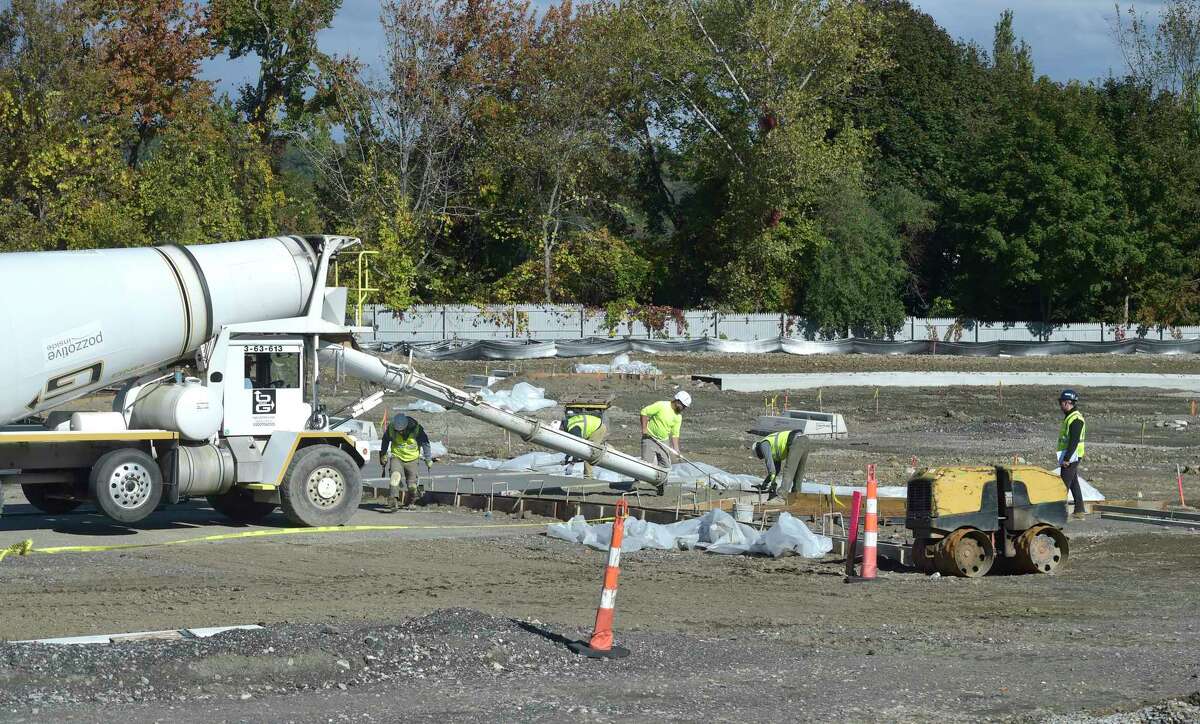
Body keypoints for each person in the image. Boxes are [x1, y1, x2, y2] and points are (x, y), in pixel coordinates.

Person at [640, 391, 691, 495]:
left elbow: (675, 434)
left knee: (666, 465)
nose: (684, 409)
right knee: (645, 466)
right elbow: (644, 412)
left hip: (663, 441)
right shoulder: (661, 405)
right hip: (649, 438)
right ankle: (637, 483)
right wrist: (644, 428)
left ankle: (661, 485)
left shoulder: (678, 417)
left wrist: (676, 449)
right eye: (683, 406)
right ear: (677, 402)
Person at [379, 412, 432, 512]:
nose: (400, 433)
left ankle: (411, 502)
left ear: (406, 426)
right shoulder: (391, 428)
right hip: (397, 456)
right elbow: (385, 440)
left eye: (402, 430)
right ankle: (393, 500)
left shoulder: (417, 429)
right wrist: (383, 453)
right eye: (398, 431)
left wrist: (428, 458)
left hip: (412, 459)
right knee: (395, 476)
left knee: (412, 486)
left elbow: (425, 443)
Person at [754, 429, 811, 499]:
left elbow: (770, 467)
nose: (763, 456)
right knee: (799, 472)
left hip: (796, 440)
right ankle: (796, 496)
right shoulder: (774, 449)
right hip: (805, 439)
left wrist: (773, 483)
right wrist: (765, 483)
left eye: (761, 455)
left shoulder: (763, 444)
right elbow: (776, 470)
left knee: (789, 470)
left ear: (758, 449)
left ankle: (781, 496)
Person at [1056, 389, 1087, 519]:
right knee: (1073, 482)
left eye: (1061, 402)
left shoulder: (1076, 419)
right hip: (1070, 455)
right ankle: (1079, 510)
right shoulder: (1070, 417)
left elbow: (1074, 441)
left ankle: (1059, 513)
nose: (1060, 405)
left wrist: (1067, 458)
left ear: (1068, 402)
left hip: (1072, 456)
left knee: (1064, 484)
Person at [563, 411, 609, 478]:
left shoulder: (573, 429)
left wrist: (572, 464)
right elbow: (572, 446)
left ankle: (588, 478)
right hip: (595, 426)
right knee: (590, 451)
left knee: (589, 453)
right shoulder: (568, 424)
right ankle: (607, 448)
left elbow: (578, 447)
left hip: (597, 428)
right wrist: (566, 458)